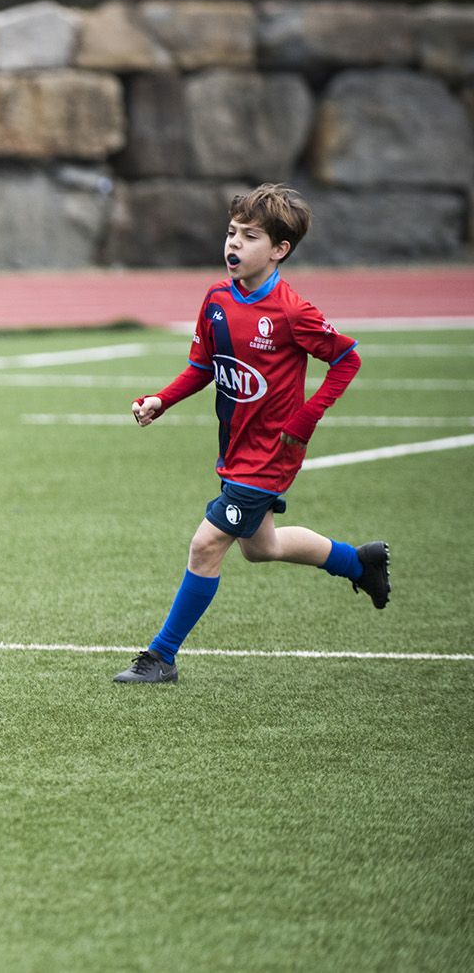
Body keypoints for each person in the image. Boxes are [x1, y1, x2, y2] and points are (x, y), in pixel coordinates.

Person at [114, 183, 390, 685]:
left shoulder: (292, 312)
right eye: (231, 233)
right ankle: (359, 563)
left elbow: (347, 359)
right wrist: (162, 399)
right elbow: (202, 365)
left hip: (272, 455)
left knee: (206, 544)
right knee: (261, 547)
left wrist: (306, 418)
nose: (233, 245)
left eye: (250, 236)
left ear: (280, 249)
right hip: (236, 449)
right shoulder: (217, 298)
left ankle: (161, 657)